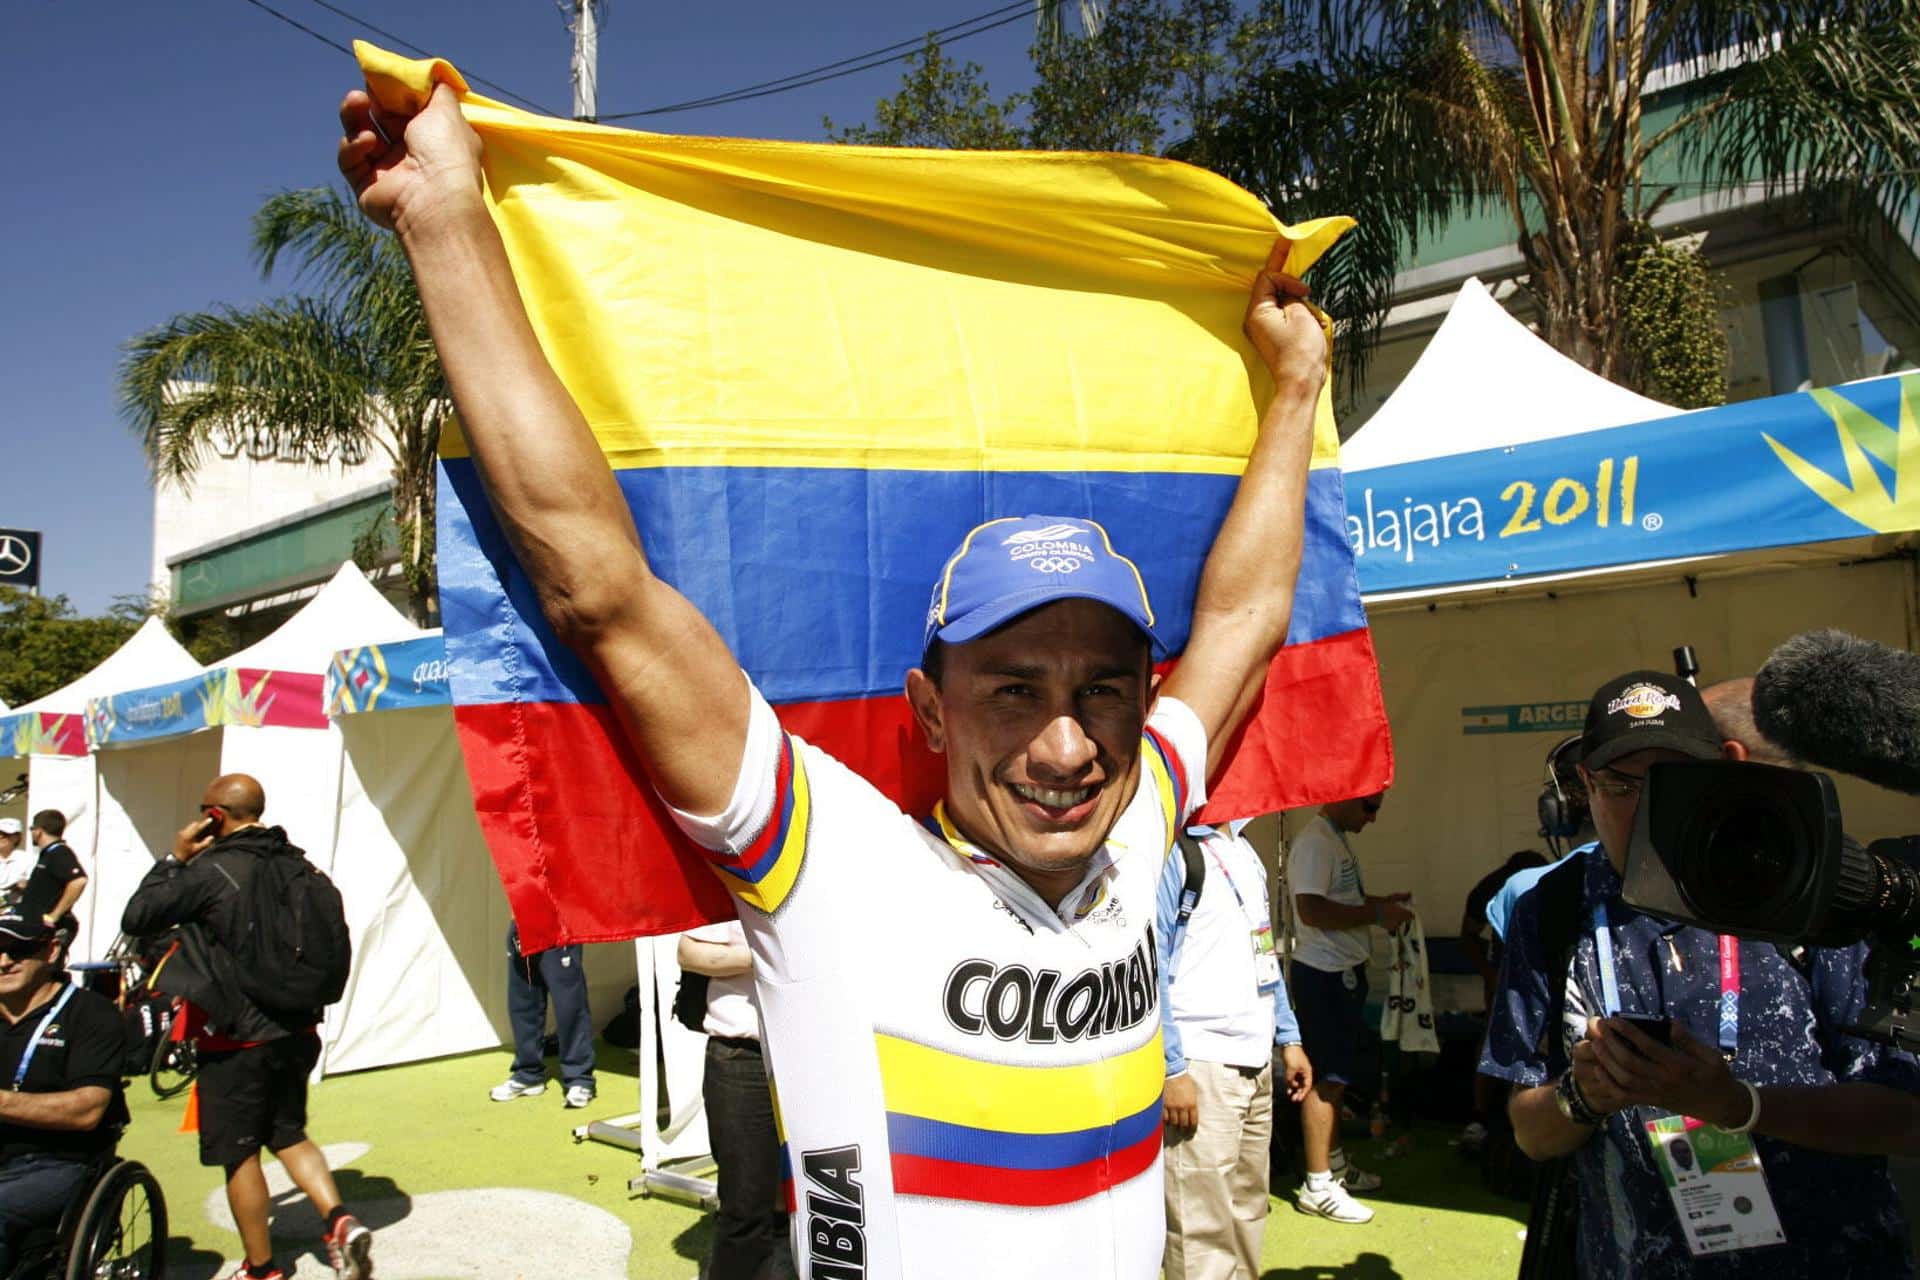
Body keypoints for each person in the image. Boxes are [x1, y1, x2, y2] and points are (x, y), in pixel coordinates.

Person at [340, 77, 1327, 1278]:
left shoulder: (1141, 827)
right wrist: (446, 224)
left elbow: (1244, 615)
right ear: (928, 708)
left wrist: (1298, 390)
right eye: (1013, 689)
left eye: (1102, 690)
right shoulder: (832, 863)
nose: (1068, 748)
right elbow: (606, 591)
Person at [1483, 670, 1920, 1277]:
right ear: (1585, 784)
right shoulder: (1552, 910)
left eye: (1669, 782)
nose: (1642, 809)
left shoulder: (1802, 880)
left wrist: (1738, 1105)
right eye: (1617, 785)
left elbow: (1904, 1115)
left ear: (1722, 769)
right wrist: (1581, 1096)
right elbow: (1530, 1131)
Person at [120, 774, 372, 1280]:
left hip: (236, 1035)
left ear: (214, 815)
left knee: (239, 1155)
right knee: (289, 1133)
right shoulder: (300, 866)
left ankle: (261, 1269)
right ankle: (338, 1220)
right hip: (297, 1029)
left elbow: (139, 915)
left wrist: (175, 857)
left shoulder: (212, 869)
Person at [1159, 821, 1312, 1278]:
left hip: (1257, 1057)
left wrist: (1289, 1036)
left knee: (1249, 1210)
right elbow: (1149, 960)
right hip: (1201, 1062)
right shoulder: (1177, 850)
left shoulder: (1244, 849)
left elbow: (1261, 948)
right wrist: (1171, 1068)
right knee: (1198, 1227)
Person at [1285, 790, 1409, 1223]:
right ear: (1343, 797)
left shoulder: (1331, 838)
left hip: (1339, 973)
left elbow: (1335, 901)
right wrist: (1376, 915)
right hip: (1324, 975)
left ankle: (1333, 1167)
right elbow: (1312, 910)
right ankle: (1317, 1184)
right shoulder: (1317, 841)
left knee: (1336, 1079)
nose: (1373, 818)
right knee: (1326, 1079)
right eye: (1369, 807)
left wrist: (1379, 905)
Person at [0, 911, 129, 1273]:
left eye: (17, 950)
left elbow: (87, 1111)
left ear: (52, 950)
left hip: (60, 1163)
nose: (4, 960)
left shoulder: (92, 1015)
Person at [680, 923, 792, 1280]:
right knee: (745, 1206)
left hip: (821, 1057)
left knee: (825, 1198)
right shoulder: (736, 871)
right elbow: (689, 953)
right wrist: (771, 958)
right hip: (744, 1056)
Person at [1458, 849, 1547, 1150]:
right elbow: (1468, 934)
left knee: (1538, 1044)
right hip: (1503, 969)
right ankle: (1480, 1118)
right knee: (1492, 1041)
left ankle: (1531, 1117)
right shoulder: (1490, 888)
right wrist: (1489, 973)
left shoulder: (1553, 882)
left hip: (1542, 968)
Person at [491, 922, 595, 1107]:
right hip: (522, 925)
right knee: (524, 1001)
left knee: (569, 1003)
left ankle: (579, 1078)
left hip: (559, 925)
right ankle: (528, 1073)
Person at [19, 811, 85, 930]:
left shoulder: (60, 852)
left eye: (31, 829)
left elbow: (79, 881)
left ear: (38, 831)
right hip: (31, 923)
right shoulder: (48, 853)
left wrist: (54, 916)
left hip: (45, 926)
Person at [0, 820, 32, 904]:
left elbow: (27, 886)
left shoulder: (28, 859)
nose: (0, 837)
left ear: (16, 837)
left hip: (16, 911)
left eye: (5, 834)